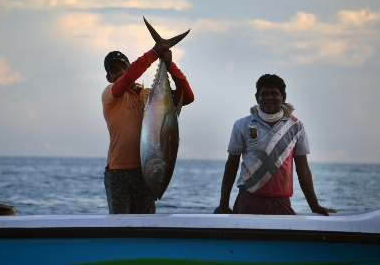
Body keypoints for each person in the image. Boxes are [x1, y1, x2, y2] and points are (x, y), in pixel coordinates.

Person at [214, 74, 335, 216]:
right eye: (264, 94)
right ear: (256, 97)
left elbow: (303, 170)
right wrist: (223, 204)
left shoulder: (296, 126)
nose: (269, 97)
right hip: (248, 202)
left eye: (274, 94)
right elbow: (231, 165)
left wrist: (315, 206)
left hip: (281, 204)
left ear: (283, 96)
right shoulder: (242, 125)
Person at [102, 39, 194, 214]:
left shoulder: (151, 96)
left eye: (123, 67)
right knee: (120, 227)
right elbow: (127, 78)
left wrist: (169, 65)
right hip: (118, 174)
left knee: (145, 225)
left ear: (130, 67)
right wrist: (154, 52)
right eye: (114, 71)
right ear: (108, 78)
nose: (120, 73)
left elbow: (187, 97)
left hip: (145, 173)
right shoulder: (110, 95)